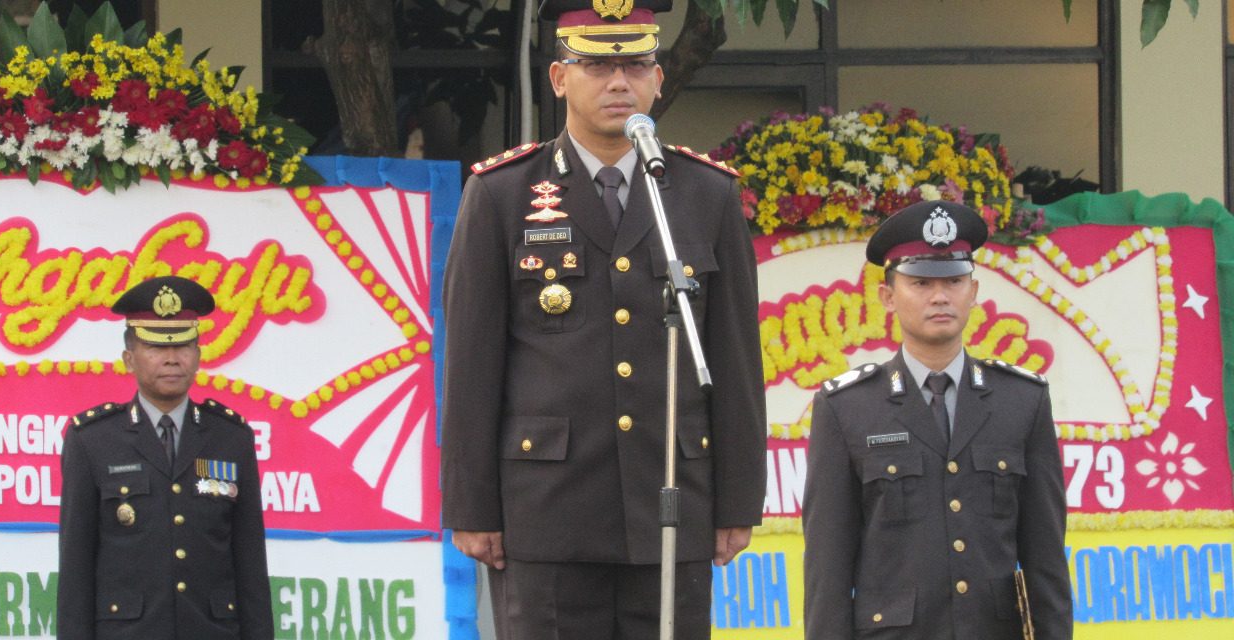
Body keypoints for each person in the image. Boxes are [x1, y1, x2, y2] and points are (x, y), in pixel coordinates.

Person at [439, 0, 767, 636]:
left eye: (637, 65)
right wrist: (471, 506)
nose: (620, 82)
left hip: (671, 503)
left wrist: (737, 500)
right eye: (596, 65)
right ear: (561, 78)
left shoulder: (705, 195)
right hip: (546, 511)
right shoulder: (504, 193)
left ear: (658, 78)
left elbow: (732, 359)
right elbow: (472, 363)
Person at [802, 200, 1073, 639]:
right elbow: (827, 568)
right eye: (921, 282)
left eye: (953, 281)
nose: (940, 296)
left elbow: (1046, 557)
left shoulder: (1022, 400)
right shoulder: (847, 408)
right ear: (888, 296)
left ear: (974, 290)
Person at [58, 275, 272, 639]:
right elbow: (76, 569)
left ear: (199, 356)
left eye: (183, 347)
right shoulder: (92, 440)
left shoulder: (231, 438)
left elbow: (250, 564)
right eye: (156, 348)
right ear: (129, 358)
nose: (172, 359)